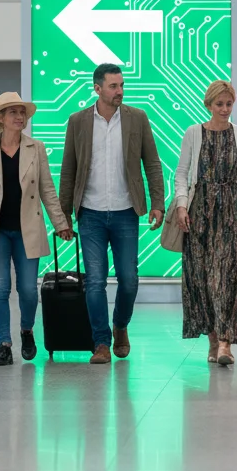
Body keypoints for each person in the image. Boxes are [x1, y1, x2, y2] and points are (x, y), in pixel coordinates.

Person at [59, 63, 165, 365]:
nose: (119, 91)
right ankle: (101, 342)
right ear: (97, 89)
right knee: (94, 281)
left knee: (129, 280)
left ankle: (120, 326)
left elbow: (152, 163)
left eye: (121, 85)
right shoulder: (78, 121)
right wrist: (64, 216)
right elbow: (68, 170)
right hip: (89, 213)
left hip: (125, 212)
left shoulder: (137, 118)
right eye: (113, 86)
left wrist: (157, 202)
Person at [0, 93, 72, 366]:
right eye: (13, 112)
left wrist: (60, 224)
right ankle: (3, 344)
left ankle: (26, 331)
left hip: (27, 230)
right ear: (0, 118)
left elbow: (47, 190)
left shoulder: (36, 148)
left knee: (27, 289)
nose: (19, 117)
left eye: (22, 112)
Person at [175, 80, 237, 366]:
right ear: (208, 105)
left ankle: (225, 343)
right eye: (219, 104)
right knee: (201, 279)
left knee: (227, 277)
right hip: (200, 214)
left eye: (229, 104)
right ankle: (213, 338)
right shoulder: (193, 133)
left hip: (233, 212)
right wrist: (182, 206)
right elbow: (182, 173)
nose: (224, 109)